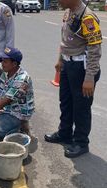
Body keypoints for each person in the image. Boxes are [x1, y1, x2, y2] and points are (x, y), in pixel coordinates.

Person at [44, 0, 102, 158]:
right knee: (66, 102)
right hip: (67, 65)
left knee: (81, 108)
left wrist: (89, 77)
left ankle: (81, 142)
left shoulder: (88, 17)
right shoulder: (68, 12)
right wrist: (60, 60)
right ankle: (65, 133)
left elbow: (94, 49)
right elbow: (64, 40)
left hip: (82, 69)